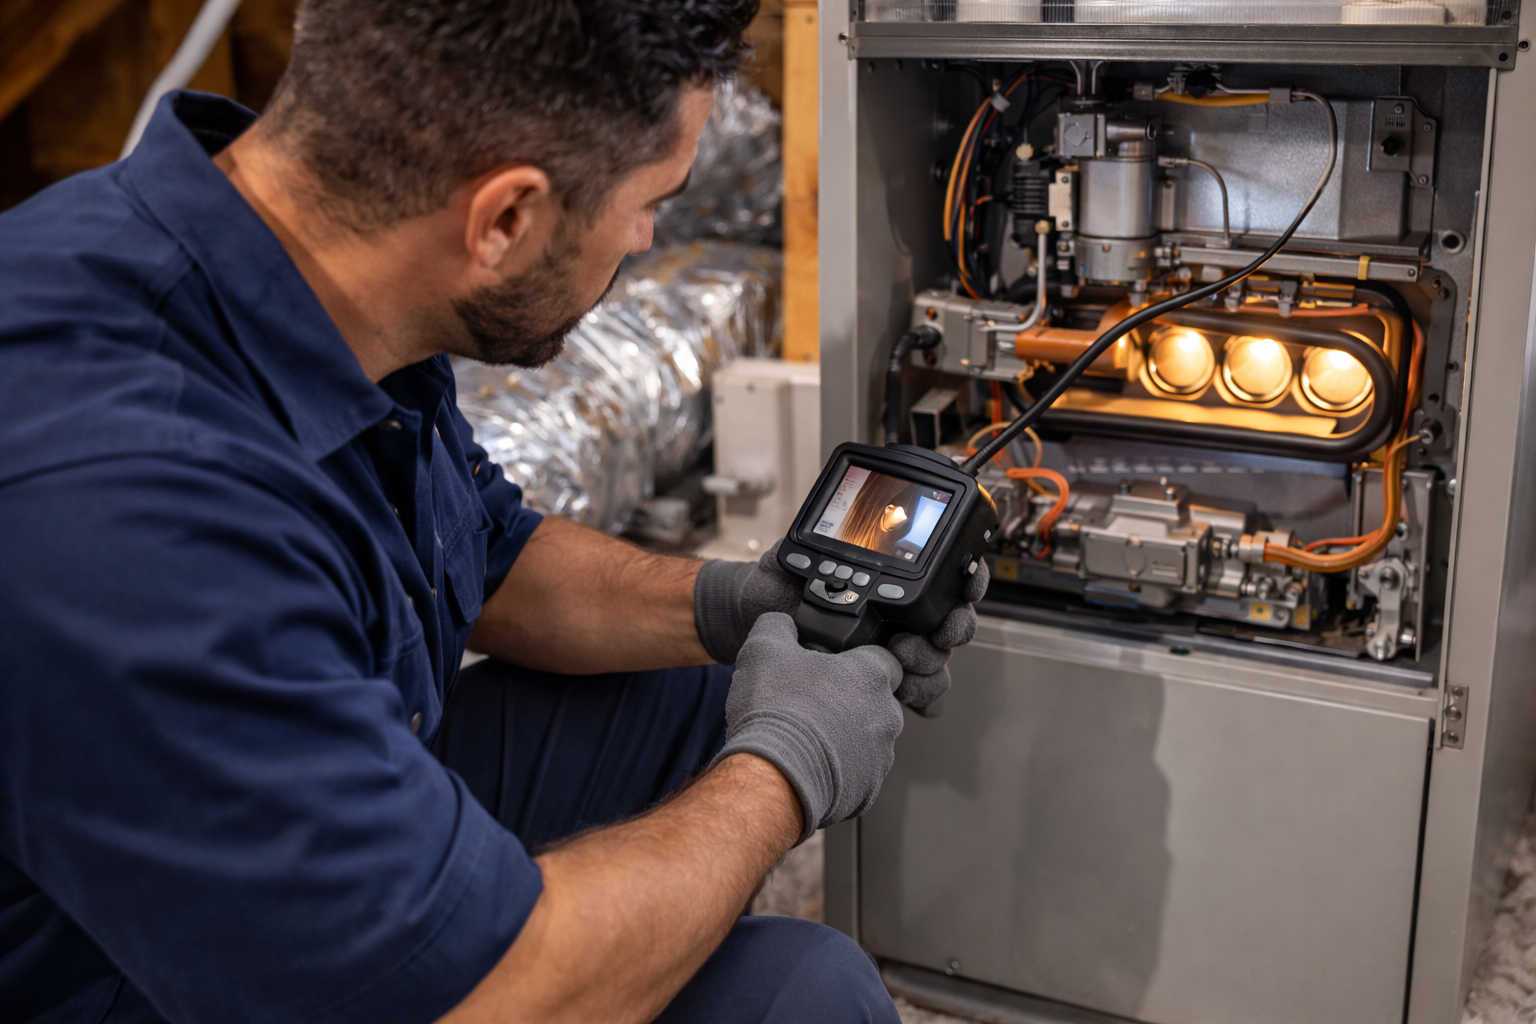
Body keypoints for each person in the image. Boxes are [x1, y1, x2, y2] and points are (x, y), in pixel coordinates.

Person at [0, 1, 988, 1021]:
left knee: (711, 688)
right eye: (651, 202)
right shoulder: (129, 511)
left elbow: (487, 552)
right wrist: (786, 768)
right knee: (804, 994)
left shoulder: (314, 273)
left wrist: (734, 602)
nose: (648, 239)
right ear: (505, 219)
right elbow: (483, 999)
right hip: (108, 985)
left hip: (216, 849)